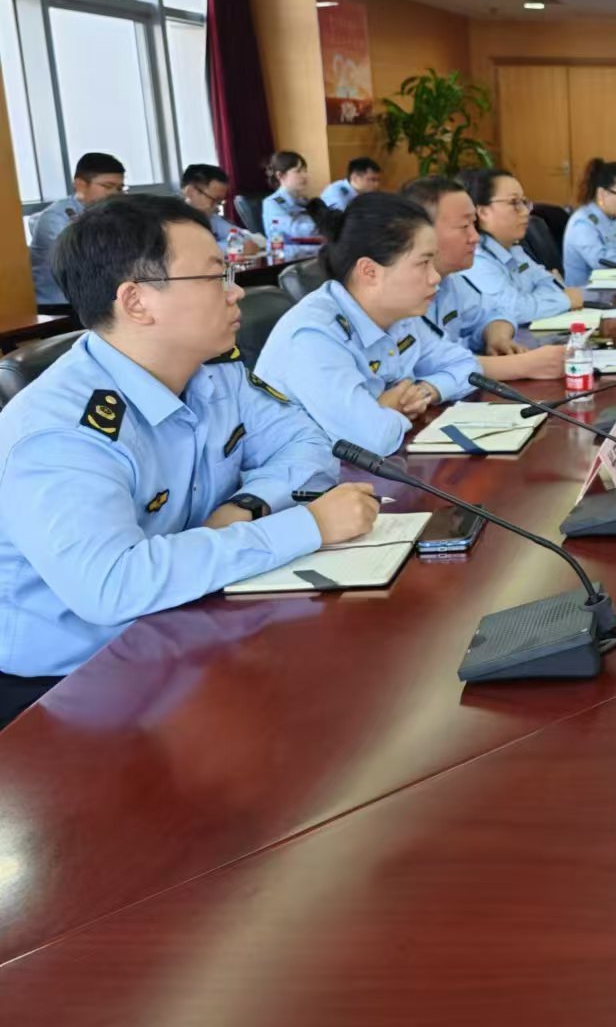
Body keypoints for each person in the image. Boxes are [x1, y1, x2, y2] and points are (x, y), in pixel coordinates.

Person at [0, 196, 376, 726]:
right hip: (70, 685)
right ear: (136, 302)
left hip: (188, 618)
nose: (235, 290)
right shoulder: (60, 431)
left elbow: (308, 447)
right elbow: (113, 587)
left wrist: (246, 507)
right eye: (214, 276)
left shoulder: (214, 371)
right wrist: (307, 526)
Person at [257, 193, 484, 455]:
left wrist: (424, 391)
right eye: (423, 263)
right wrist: (383, 411)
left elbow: (468, 366)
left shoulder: (399, 315)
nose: (435, 277)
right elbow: (375, 438)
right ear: (369, 271)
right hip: (310, 476)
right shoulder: (313, 335)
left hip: (366, 466)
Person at [400, 175, 564, 379]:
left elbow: (495, 312)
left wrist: (497, 336)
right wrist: (524, 365)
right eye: (464, 227)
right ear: (422, 232)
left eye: (473, 224)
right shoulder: (399, 295)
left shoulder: (451, 281)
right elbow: (433, 364)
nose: (475, 237)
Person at [460, 168, 584, 324]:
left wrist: (530, 302)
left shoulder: (514, 249)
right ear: (483, 212)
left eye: (524, 202)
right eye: (514, 203)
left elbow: (552, 283)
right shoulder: (476, 259)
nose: (526, 211)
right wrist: (565, 300)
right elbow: (514, 311)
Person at [29, 152, 126, 310]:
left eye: (119, 188)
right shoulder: (55, 217)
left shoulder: (111, 213)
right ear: (80, 185)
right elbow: (84, 262)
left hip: (95, 302)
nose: (115, 194)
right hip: (58, 306)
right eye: (107, 187)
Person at [181, 163, 263, 257]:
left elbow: (241, 235)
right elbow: (197, 250)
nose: (217, 207)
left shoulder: (211, 218)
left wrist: (239, 245)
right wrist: (237, 248)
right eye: (214, 200)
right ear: (191, 192)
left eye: (219, 202)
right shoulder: (173, 222)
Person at [260, 151, 321, 259]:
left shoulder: (303, 201)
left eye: (305, 171)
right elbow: (297, 231)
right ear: (280, 175)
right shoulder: (272, 203)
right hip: (287, 262)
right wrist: (325, 225)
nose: (305, 176)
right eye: (298, 171)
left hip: (310, 257)